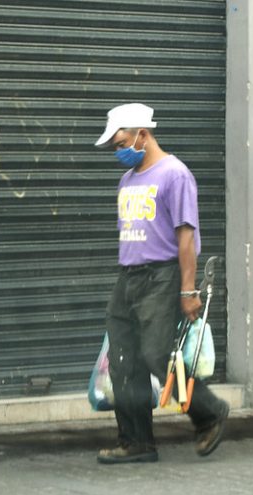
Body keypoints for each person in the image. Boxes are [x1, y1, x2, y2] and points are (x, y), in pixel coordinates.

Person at [93, 103, 229, 464]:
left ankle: (209, 411)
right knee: (123, 361)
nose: (116, 150)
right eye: (112, 145)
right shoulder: (127, 180)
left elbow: (186, 238)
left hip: (162, 277)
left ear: (143, 134)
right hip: (128, 278)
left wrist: (188, 290)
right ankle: (136, 442)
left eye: (120, 141)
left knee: (156, 355)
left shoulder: (175, 174)